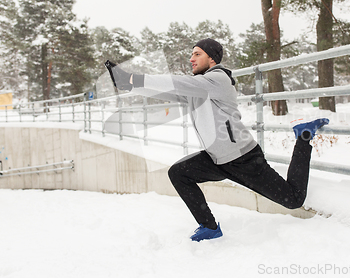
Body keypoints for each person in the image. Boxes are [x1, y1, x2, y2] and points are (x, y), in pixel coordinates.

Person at [105, 38, 329, 242]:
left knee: (293, 199)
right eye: (191, 55)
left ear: (212, 58)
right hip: (216, 159)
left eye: (197, 54)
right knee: (178, 173)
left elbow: (177, 83)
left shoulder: (218, 80)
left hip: (243, 159)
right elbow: (167, 92)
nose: (191, 59)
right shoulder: (200, 86)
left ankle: (303, 136)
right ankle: (209, 227)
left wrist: (133, 77)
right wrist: (130, 85)